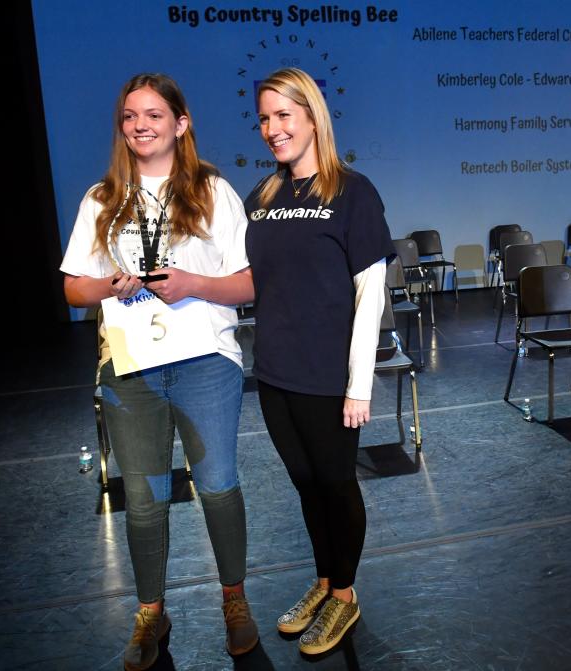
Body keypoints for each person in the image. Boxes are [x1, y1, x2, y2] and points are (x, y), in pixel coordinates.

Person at [60, 73, 258, 669]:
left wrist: (193, 284)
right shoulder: (101, 199)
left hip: (205, 362)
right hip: (131, 369)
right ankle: (151, 612)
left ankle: (234, 600)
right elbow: (74, 289)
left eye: (152, 114)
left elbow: (249, 282)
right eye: (129, 116)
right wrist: (110, 284)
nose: (140, 125)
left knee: (218, 486)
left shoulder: (213, 192)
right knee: (143, 502)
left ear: (181, 122)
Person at [243, 67, 393, 655]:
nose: (273, 129)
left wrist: (360, 387)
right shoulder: (264, 196)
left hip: (330, 377)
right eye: (264, 118)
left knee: (335, 484)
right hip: (276, 373)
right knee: (306, 485)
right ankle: (326, 581)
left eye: (284, 115)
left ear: (312, 116)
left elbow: (370, 294)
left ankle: (346, 598)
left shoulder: (354, 192)